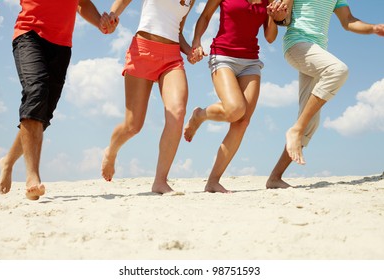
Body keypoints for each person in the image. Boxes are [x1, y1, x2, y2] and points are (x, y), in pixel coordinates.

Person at [0, 0, 117, 200]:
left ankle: (7, 162)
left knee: (42, 114)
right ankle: (32, 177)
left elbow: (82, 3)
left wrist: (100, 22)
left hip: (61, 45)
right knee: (36, 92)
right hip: (29, 33)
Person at [266, 0, 384, 189]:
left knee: (310, 118)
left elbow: (348, 21)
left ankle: (274, 178)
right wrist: (277, 15)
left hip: (317, 50)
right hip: (297, 44)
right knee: (337, 70)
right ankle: (296, 129)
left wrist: (374, 28)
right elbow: (282, 18)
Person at [183, 0, 286, 193]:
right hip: (222, 55)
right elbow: (205, 16)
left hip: (250, 61)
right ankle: (200, 115)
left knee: (242, 122)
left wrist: (274, 17)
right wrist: (196, 41)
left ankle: (213, 181)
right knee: (235, 109)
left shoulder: (269, 1)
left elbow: (270, 38)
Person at [101, 0, 197, 194]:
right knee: (133, 126)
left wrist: (189, 51)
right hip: (143, 50)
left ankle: (160, 181)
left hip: (171, 58)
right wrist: (113, 14)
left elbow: (177, 30)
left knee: (177, 113)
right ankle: (111, 152)